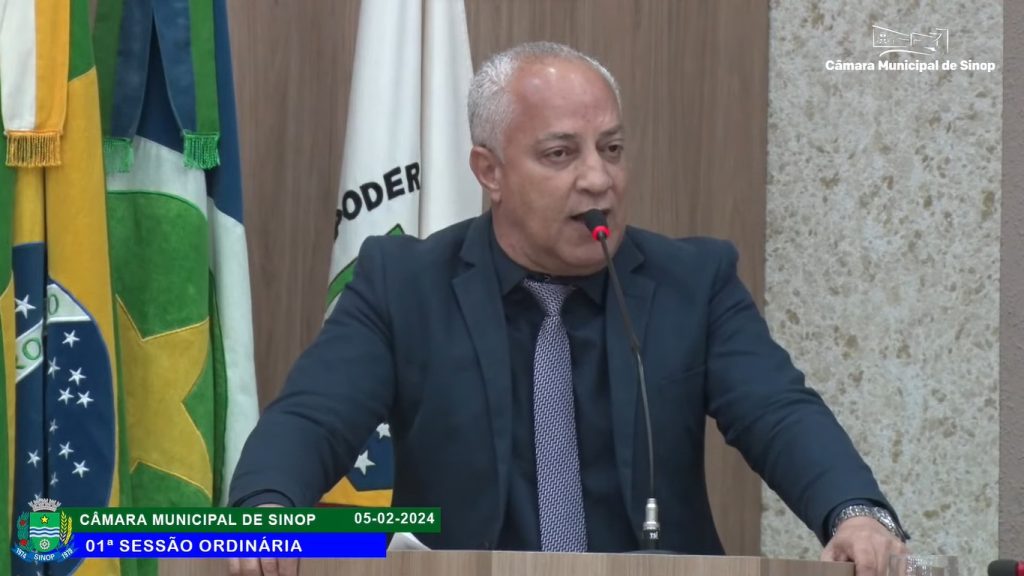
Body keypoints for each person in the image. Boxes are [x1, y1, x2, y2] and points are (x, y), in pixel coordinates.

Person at [228, 41, 908, 576]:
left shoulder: (692, 282)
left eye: (611, 149)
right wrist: (266, 508)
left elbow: (779, 412)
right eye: (561, 153)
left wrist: (854, 513)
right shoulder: (404, 285)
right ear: (489, 171)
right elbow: (313, 418)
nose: (598, 178)